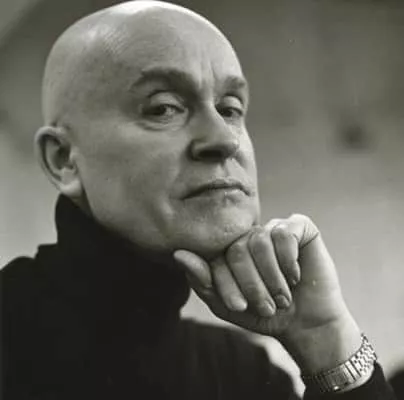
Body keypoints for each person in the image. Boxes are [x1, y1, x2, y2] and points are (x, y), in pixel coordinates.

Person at [0, 1, 396, 399]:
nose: (224, 139)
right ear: (64, 160)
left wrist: (326, 339)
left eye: (230, 109)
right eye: (163, 108)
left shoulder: (242, 373)